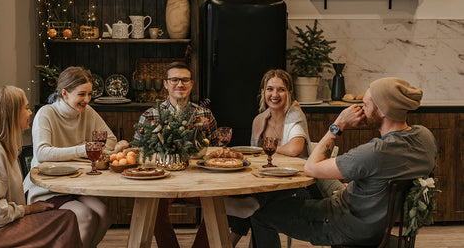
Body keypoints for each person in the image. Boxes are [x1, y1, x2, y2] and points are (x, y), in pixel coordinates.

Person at [251, 77, 437, 247]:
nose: (361, 110)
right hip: (373, 221)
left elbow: (311, 167)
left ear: (382, 110)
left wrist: (338, 125)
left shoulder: (374, 153)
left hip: (344, 225)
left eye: (365, 105)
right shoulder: (424, 137)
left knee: (260, 215)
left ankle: (252, 206)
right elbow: (386, 173)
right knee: (311, 189)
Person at [0, 86, 82, 247]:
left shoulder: (2, 147)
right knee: (66, 219)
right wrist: (28, 209)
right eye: (25, 108)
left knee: (64, 218)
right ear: (11, 114)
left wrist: (28, 209)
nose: (30, 112)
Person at [24, 66, 117, 248]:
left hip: (75, 186)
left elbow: (111, 139)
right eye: (82, 94)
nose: (87, 100)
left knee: (105, 214)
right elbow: (42, 154)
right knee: (86, 216)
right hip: (46, 189)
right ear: (65, 93)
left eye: (90, 94)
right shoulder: (46, 114)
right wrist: (84, 150)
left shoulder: (87, 112)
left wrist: (92, 150)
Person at [136, 61, 217, 248]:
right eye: (174, 80)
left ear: (191, 83)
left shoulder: (204, 114)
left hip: (199, 182)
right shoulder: (150, 115)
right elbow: (139, 153)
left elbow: (214, 151)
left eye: (185, 80)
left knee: (222, 204)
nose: (180, 84)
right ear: (165, 84)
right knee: (152, 205)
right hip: (162, 181)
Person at [228, 69, 310, 246]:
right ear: (263, 92)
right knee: (253, 205)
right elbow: (254, 159)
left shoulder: (295, 115)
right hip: (267, 183)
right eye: (270, 89)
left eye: (281, 90)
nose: (274, 94)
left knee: (256, 207)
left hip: (298, 185)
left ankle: (227, 243)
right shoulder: (259, 120)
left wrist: (269, 148)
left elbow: (295, 148)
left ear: (289, 93)